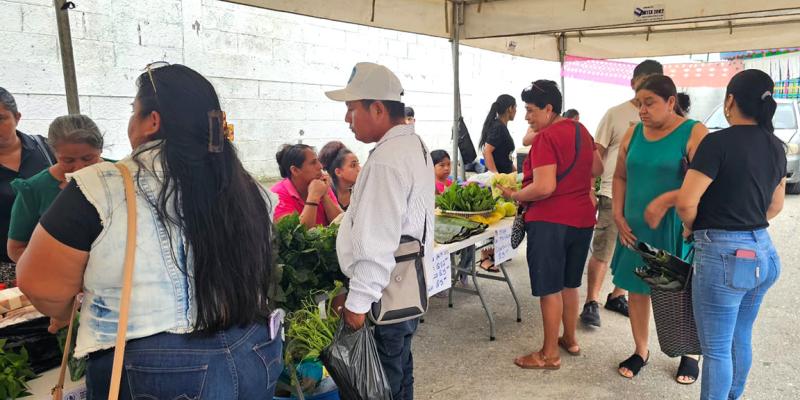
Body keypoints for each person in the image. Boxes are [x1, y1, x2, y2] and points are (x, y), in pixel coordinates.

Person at [15, 64, 281, 398]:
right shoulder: (248, 186)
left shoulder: (103, 185)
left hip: (156, 370)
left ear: (152, 121)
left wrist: (70, 311)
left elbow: (40, 283)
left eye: (133, 112)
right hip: (256, 350)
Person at [326, 62, 434, 400]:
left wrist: (357, 306)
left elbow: (377, 242)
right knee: (398, 374)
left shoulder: (386, 161)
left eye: (351, 109)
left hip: (383, 297)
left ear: (376, 108)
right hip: (406, 290)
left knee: (380, 384)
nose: (347, 119)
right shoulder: (414, 146)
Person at [677, 69, 786, 400]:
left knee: (717, 349)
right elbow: (776, 205)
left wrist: (692, 227)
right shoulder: (777, 146)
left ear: (730, 101)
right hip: (764, 254)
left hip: (724, 257)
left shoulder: (717, 142)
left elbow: (685, 202)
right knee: (740, 335)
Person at [496, 80, 602, 370]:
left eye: (531, 110)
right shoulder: (581, 130)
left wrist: (515, 194)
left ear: (549, 108)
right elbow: (597, 169)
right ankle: (570, 339)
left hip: (551, 221)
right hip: (582, 220)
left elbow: (543, 187)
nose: (527, 117)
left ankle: (548, 354)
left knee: (549, 288)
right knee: (569, 283)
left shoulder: (546, 138)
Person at [611, 74, 708, 383]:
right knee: (638, 290)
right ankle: (641, 350)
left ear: (670, 102)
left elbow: (708, 184)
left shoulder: (693, 133)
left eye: (649, 103)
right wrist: (617, 213)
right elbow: (620, 177)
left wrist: (678, 211)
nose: (642, 110)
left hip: (676, 227)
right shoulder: (632, 134)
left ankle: (689, 353)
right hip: (635, 229)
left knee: (679, 292)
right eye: (639, 103)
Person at [581, 60, 663, 328]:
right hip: (611, 193)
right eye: (644, 81)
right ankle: (591, 301)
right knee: (604, 249)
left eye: (655, 81)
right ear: (633, 83)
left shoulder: (667, 119)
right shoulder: (615, 114)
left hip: (648, 200)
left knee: (638, 252)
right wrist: (589, 189)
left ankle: (617, 296)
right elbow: (598, 153)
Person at [7, 115, 104, 262]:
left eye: (88, 158)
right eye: (68, 160)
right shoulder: (34, 189)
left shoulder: (121, 174)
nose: (79, 167)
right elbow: (16, 248)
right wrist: (54, 269)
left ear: (100, 150)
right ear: (54, 154)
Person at [0, 87, 54, 286]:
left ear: (17, 117)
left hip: (56, 259)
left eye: (0, 119)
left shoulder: (47, 148)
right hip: (5, 271)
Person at [271, 144, 342, 228]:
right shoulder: (277, 196)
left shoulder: (320, 184)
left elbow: (340, 224)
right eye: (313, 162)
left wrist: (324, 196)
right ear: (295, 170)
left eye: (318, 161)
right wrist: (313, 197)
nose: (320, 166)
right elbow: (296, 236)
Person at [479, 94, 517, 174]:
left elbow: (505, 158)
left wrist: (516, 173)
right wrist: (495, 175)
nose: (516, 111)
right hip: (498, 181)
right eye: (515, 107)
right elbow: (487, 151)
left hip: (505, 176)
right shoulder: (498, 127)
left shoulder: (500, 126)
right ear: (510, 108)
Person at [318, 141, 361, 211]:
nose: (359, 169)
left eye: (358, 164)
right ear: (338, 172)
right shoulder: (325, 194)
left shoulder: (360, 192)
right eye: (353, 165)